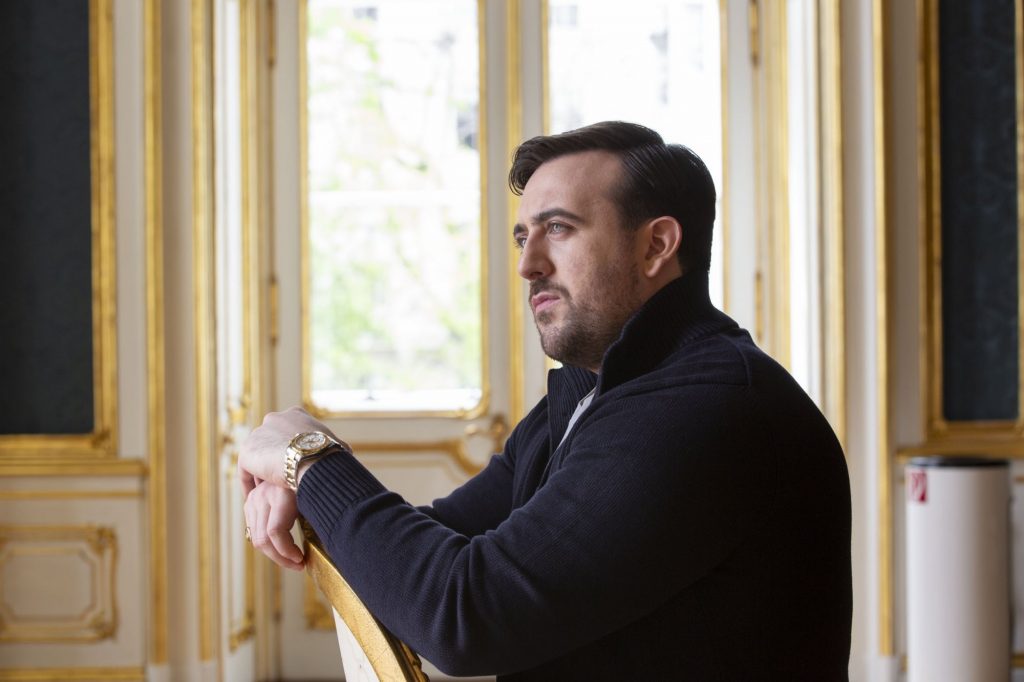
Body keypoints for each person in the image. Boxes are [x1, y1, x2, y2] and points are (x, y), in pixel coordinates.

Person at [239, 121, 852, 680]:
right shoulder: (595, 392)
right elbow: (429, 551)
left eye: (558, 228)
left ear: (656, 245)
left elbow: (464, 614)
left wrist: (310, 457)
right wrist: (305, 489)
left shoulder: (705, 408)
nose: (528, 265)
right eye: (522, 237)